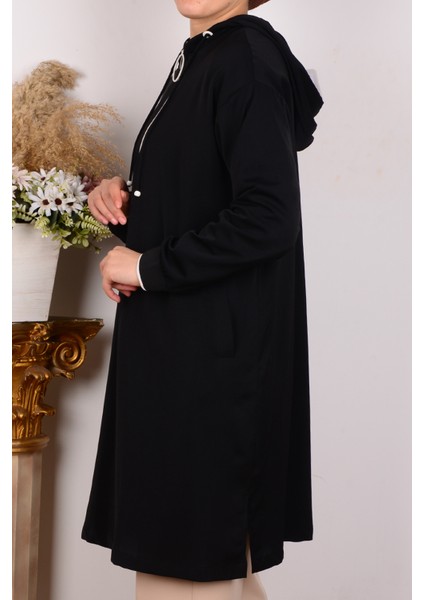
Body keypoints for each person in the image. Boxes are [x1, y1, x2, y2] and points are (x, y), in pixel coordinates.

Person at [82, 0, 323, 598]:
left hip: (212, 365)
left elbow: (267, 217)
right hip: (185, 353)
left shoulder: (243, 58)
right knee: (203, 563)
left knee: (187, 563)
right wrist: (127, 198)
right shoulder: (206, 54)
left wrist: (147, 266)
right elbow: (207, 192)